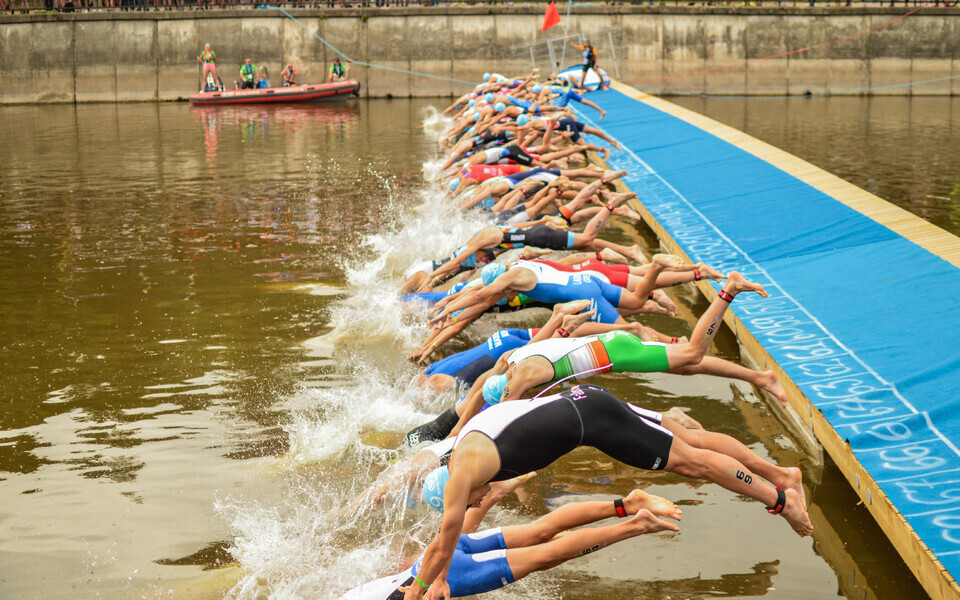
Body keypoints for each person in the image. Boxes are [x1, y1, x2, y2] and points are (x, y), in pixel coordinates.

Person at [401, 382, 812, 600]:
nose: (481, 502)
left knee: (695, 463)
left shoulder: (461, 479)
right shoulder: (468, 445)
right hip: (589, 400)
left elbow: (443, 543)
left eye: (474, 499)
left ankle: (781, 499)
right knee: (690, 447)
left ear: (457, 491)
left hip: (597, 425)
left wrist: (421, 587)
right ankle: (784, 475)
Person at [341, 479, 680, 600]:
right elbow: (443, 542)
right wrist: (487, 500)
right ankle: (626, 505)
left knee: (546, 554)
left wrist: (425, 585)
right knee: (540, 531)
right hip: (439, 559)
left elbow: (423, 579)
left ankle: (635, 525)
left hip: (446, 571)